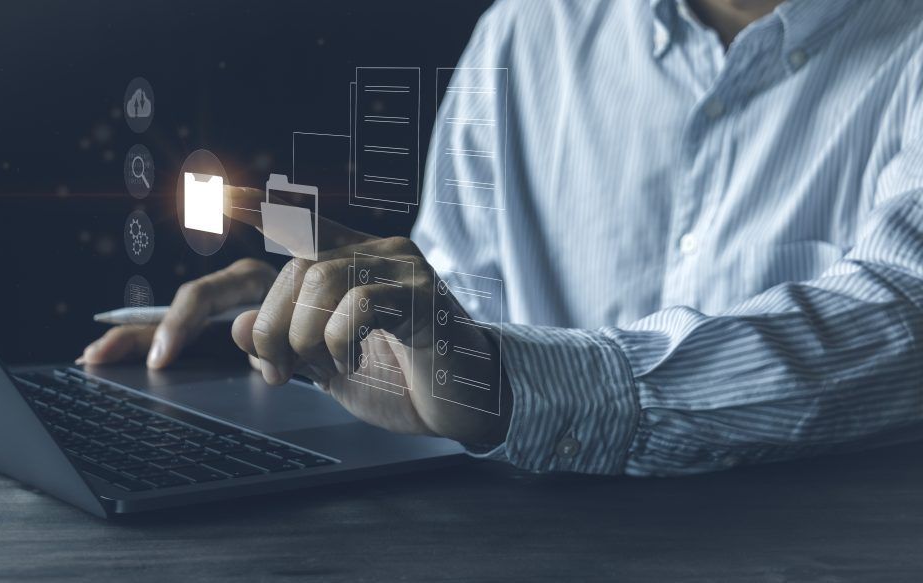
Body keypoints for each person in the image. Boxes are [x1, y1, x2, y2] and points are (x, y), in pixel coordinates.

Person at [79, 0, 923, 476]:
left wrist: (518, 385)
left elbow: (903, 317)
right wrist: (335, 332)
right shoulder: (532, 28)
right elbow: (465, 310)